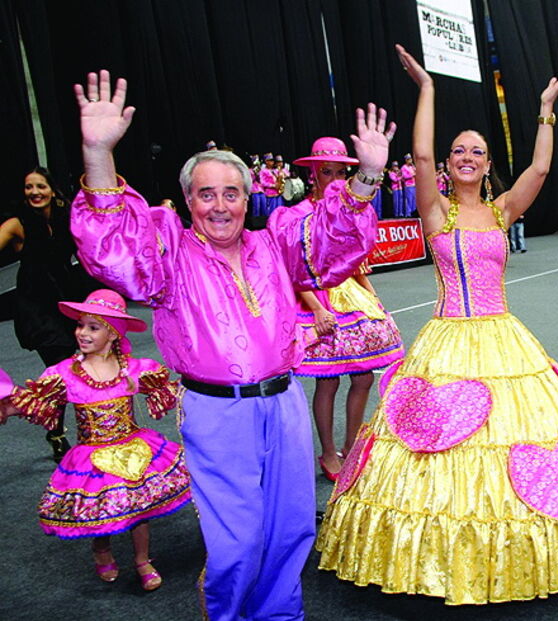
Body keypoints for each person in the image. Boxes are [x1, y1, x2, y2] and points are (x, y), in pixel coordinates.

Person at [315, 44, 558, 605]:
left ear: (489, 165)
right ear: (448, 163)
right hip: (447, 340)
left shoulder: (502, 210)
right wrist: (427, 90)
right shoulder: (435, 210)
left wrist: (546, 109)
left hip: (504, 338)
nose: (467, 157)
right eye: (459, 151)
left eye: (478, 152)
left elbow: (540, 168)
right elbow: (419, 156)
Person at [69, 70, 393, 620]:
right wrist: (98, 155)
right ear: (188, 200)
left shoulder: (275, 244)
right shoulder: (168, 255)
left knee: (292, 527)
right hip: (217, 412)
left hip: (284, 404)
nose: (219, 206)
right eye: (206, 194)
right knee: (237, 541)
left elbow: (333, 242)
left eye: (231, 193)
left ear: (247, 197)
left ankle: (279, 613)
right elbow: (112, 250)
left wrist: (366, 176)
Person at [0, 289, 190, 591]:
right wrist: (9, 402)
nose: (82, 333)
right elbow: (37, 403)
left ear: (113, 334)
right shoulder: (65, 374)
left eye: (93, 327)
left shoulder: (133, 370)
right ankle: (102, 550)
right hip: (92, 456)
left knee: (139, 507)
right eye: (80, 325)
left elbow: (166, 389)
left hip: (134, 448)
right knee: (101, 507)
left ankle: (142, 559)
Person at [289, 137, 405, 481]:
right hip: (317, 299)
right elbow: (292, 269)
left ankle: (351, 445)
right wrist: (317, 309)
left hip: (351, 297)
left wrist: (374, 298)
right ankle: (328, 452)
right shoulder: (299, 214)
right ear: (313, 174)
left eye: (341, 172)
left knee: (364, 376)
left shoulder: (351, 211)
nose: (335, 179)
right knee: (328, 381)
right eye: (328, 172)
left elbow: (355, 264)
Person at [0, 167, 99, 461]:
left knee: (68, 371)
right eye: (29, 187)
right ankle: (58, 432)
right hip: (36, 308)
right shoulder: (17, 224)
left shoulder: (66, 218)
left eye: (40, 186)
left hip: (67, 300)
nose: (34, 192)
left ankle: (59, 430)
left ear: (52, 190)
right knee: (61, 367)